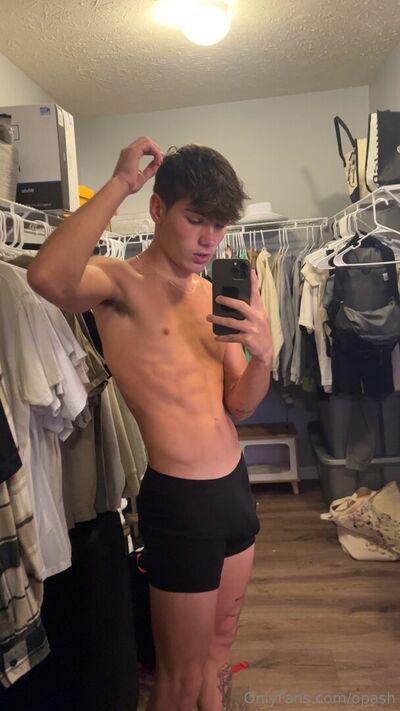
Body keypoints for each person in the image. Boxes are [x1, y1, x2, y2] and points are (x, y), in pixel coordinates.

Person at [27, 136, 273, 711]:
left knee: (218, 653)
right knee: (178, 678)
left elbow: (240, 405)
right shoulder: (119, 285)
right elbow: (47, 278)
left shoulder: (214, 296)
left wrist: (264, 355)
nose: (209, 239)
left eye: (219, 225)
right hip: (180, 502)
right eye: (196, 219)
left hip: (235, 488)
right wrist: (121, 184)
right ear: (159, 210)